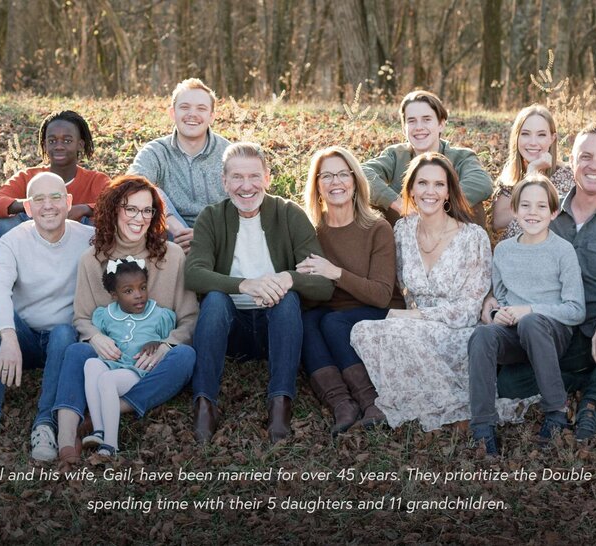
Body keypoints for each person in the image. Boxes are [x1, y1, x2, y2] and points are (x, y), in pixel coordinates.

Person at [494, 124, 596, 441]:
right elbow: (514, 262)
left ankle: (594, 402)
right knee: (508, 385)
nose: (593, 165)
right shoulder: (547, 211)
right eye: (585, 156)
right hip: (559, 331)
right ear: (571, 162)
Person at [186, 142, 334, 444]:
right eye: (237, 178)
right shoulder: (211, 217)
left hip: (276, 327)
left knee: (288, 298)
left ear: (267, 177)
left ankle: (280, 402)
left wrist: (285, 278)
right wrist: (244, 284)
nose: (246, 186)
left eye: (254, 176)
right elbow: (193, 273)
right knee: (214, 299)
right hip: (231, 331)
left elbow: (323, 284)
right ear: (224, 181)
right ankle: (205, 404)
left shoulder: (289, 214)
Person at [53, 175, 198, 464]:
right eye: (130, 208)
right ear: (114, 210)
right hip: (109, 356)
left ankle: (109, 411)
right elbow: (82, 317)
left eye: (147, 210)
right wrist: (95, 336)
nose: (139, 218)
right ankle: (66, 436)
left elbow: (189, 318)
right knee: (76, 351)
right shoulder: (92, 259)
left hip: (150, 363)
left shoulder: (172, 256)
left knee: (185, 357)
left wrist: (167, 345)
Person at [349, 153, 492, 432]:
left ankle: (451, 405)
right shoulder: (402, 230)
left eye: (439, 184)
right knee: (361, 330)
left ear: (449, 190)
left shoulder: (474, 237)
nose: (430, 192)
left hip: (456, 331)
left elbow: (470, 309)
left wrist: (412, 316)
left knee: (396, 330)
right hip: (413, 328)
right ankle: (421, 401)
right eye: (422, 183)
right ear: (411, 190)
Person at [0, 172, 94, 461]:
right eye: (39, 199)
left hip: (64, 340)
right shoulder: (14, 241)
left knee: (63, 332)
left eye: (56, 197)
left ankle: (45, 423)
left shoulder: (88, 239)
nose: (48, 205)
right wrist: (8, 337)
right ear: (28, 208)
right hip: (25, 340)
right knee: (0, 320)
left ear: (68, 202)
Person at [468, 175, 585, 453]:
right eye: (526, 206)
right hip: (514, 333)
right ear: (515, 211)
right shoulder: (505, 251)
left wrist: (529, 310)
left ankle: (556, 411)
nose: (533, 213)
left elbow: (576, 309)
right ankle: (483, 426)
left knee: (531, 323)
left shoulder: (562, 251)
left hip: (551, 332)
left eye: (542, 206)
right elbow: (503, 297)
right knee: (482, 335)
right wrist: (499, 314)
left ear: (554, 212)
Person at [296, 146, 399, 434]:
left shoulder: (377, 227)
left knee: (332, 320)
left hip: (380, 310)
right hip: (333, 310)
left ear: (355, 181)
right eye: (326, 176)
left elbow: (380, 294)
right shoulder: (312, 231)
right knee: (306, 320)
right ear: (317, 185)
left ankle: (370, 401)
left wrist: (334, 272)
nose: (335, 182)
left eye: (343, 174)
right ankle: (341, 403)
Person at [80, 257, 177, 458]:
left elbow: (170, 340)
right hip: (115, 364)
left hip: (137, 370)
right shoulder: (106, 315)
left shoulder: (158, 315)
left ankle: (111, 444)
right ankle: (98, 429)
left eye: (142, 288)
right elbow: (96, 336)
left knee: (107, 380)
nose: (139, 295)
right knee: (91, 364)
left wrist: (157, 343)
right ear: (114, 295)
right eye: (128, 291)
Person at [128, 78, 232, 252]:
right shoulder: (157, 151)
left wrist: (206, 234)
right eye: (184, 107)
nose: (192, 114)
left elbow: (246, 200)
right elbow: (129, 186)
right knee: (142, 186)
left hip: (219, 237)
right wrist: (175, 227)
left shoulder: (228, 153)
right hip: (171, 235)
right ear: (172, 113)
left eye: (201, 108)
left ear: (212, 116)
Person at [362, 90, 493, 224]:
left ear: (441, 124)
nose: (419, 127)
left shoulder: (461, 157)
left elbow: (482, 183)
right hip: (405, 229)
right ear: (403, 128)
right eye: (411, 121)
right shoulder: (395, 155)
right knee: (372, 202)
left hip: (450, 231)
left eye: (427, 119)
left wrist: (436, 206)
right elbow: (362, 173)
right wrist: (397, 202)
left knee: (474, 206)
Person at [0, 110, 111, 237]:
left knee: (97, 220)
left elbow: (118, 204)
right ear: (45, 145)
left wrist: (85, 209)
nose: (58, 146)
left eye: (67, 141)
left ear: (80, 144)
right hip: (33, 247)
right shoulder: (27, 177)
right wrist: (31, 204)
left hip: (79, 251)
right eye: (52, 141)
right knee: (8, 221)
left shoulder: (96, 180)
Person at [490, 104, 575, 240]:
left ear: (552, 139)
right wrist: (532, 171)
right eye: (525, 134)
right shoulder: (510, 178)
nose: (533, 142)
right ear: (516, 137)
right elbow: (498, 222)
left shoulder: (566, 175)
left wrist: (532, 175)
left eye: (541, 135)